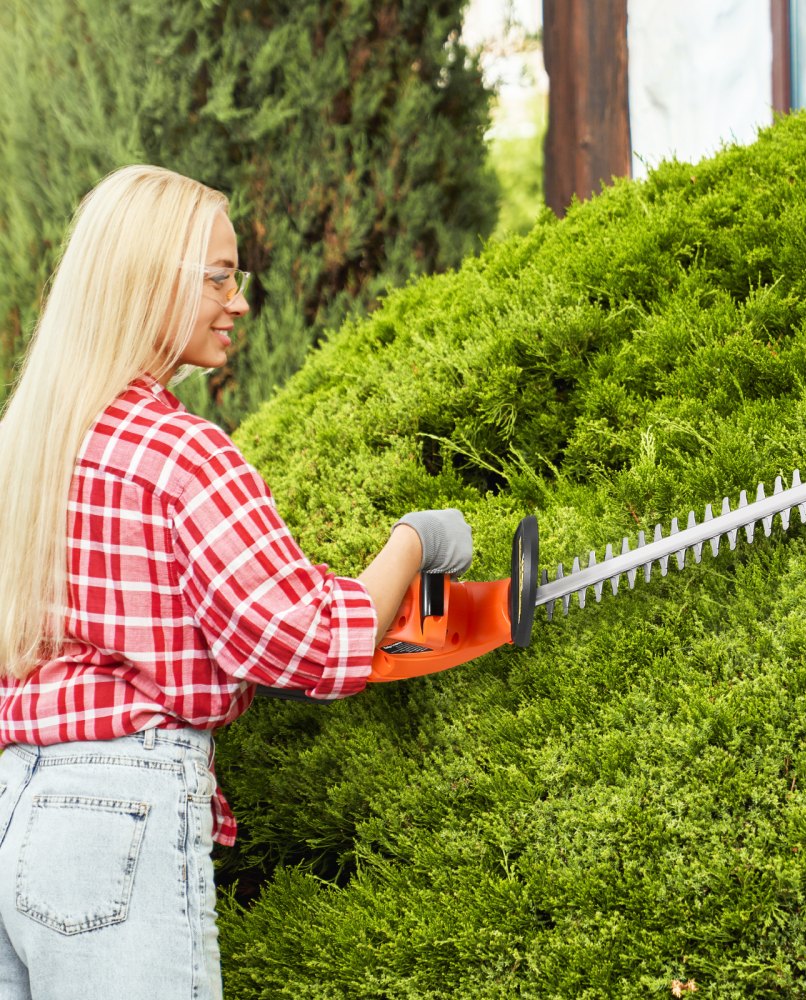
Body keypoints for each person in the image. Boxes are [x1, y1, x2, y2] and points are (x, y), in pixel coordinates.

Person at [0, 164, 473, 1000]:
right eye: (218, 276)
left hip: (13, 804)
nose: (240, 300)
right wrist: (417, 540)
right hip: (120, 814)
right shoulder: (182, 455)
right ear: (150, 282)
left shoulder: (26, 449)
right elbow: (313, 642)